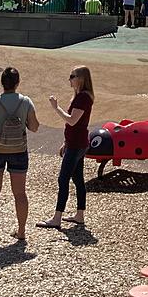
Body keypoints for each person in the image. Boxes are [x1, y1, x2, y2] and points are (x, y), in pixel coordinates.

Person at [0, 67, 39, 242]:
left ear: (2, 83)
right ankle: (21, 232)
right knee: (20, 193)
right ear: (17, 83)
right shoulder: (26, 102)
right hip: (19, 150)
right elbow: (34, 127)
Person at [40, 65, 94, 228]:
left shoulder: (83, 98)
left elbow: (72, 120)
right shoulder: (80, 96)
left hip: (77, 145)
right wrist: (65, 142)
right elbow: (74, 125)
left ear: (81, 79)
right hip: (76, 143)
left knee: (63, 179)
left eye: (72, 76)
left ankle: (57, 218)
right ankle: (79, 215)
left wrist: (56, 107)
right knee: (78, 179)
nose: (69, 79)